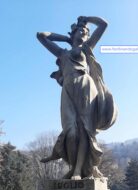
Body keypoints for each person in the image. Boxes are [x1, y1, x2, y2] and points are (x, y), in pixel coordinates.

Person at [37, 16, 117, 179]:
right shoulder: (62, 52)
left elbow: (103, 24)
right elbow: (41, 35)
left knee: (85, 130)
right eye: (80, 30)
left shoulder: (87, 47)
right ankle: (74, 167)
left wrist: (87, 19)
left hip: (85, 87)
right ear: (73, 35)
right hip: (67, 88)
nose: (84, 32)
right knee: (70, 131)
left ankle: (78, 170)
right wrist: (65, 38)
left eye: (86, 31)